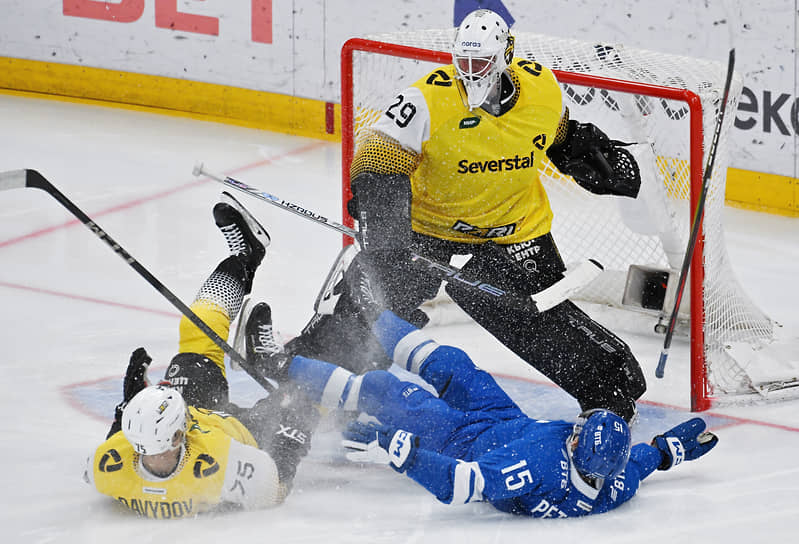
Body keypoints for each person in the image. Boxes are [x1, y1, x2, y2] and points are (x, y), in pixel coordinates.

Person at [286, 8, 646, 422]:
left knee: (537, 318)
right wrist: (384, 230)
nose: (471, 72)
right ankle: (311, 389)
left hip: (514, 229)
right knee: (372, 304)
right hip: (428, 227)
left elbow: (557, 134)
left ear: (505, 55)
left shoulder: (541, 88)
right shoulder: (427, 99)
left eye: (482, 62)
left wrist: (582, 153)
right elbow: (376, 158)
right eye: (464, 61)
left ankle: (609, 393)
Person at [244, 264, 718, 517]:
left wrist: (401, 451)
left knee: (385, 390)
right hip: (506, 420)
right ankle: (372, 312)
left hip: (459, 441)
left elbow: (460, 485)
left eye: (578, 434)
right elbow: (637, 464)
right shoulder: (610, 482)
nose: (575, 428)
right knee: (452, 363)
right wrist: (669, 450)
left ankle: (279, 363)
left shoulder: (534, 470)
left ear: (577, 453)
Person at [84, 192, 319, 519]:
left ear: (179, 432)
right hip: (239, 430)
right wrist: (291, 436)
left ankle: (245, 255)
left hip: (200, 414)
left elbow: (117, 444)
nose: (153, 459)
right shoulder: (222, 461)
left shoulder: (105, 469)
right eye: (148, 451)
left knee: (196, 325)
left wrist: (129, 405)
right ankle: (279, 358)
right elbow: (274, 487)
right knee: (308, 391)